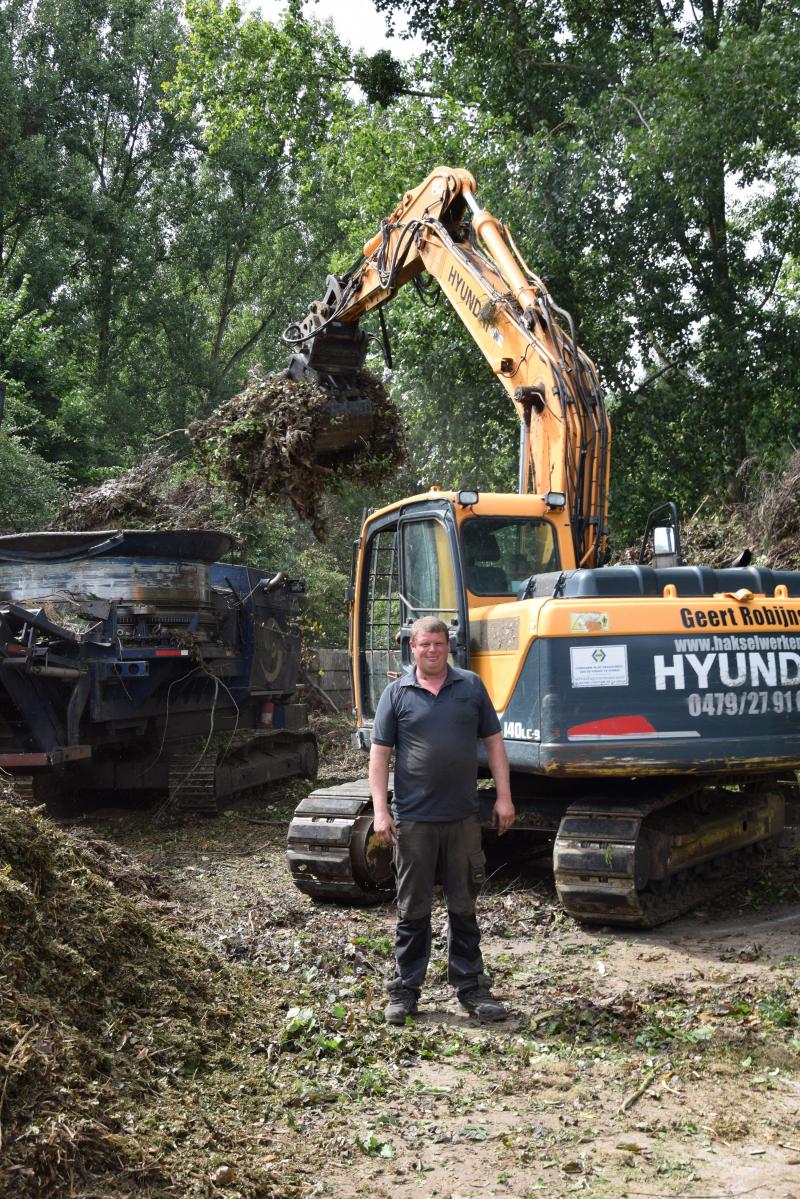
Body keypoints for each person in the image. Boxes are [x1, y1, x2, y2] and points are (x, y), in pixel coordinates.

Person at [369, 615, 515, 1025]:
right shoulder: (396, 694)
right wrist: (381, 810)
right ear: (411, 648)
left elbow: (494, 743)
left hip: (462, 818)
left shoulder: (470, 687)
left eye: (438, 644)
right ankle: (405, 991)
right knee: (412, 909)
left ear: (447, 645)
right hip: (413, 820)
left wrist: (504, 797)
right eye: (423, 645)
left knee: (463, 906)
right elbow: (379, 756)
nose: (432, 651)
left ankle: (472, 988)